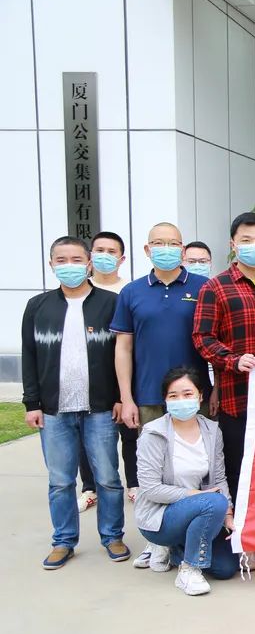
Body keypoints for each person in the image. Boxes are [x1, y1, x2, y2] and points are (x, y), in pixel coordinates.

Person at [23, 236, 129, 569]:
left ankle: (112, 536)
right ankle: (63, 541)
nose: (69, 266)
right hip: (53, 410)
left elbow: (122, 354)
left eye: (76, 260)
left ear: (89, 264)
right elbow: (29, 357)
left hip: (100, 408)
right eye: (61, 260)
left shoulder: (110, 303)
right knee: (60, 481)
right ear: (51, 265)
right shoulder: (37, 306)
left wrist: (119, 397)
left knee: (108, 477)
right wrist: (31, 403)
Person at [112, 222, 211, 573]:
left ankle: (193, 536)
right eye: (158, 243)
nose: (165, 248)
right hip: (149, 396)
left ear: (183, 250)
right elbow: (123, 348)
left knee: (196, 468)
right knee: (155, 473)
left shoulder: (203, 287)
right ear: (146, 249)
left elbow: (212, 341)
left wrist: (212, 391)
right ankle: (156, 541)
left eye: (172, 243)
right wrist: (126, 397)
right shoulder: (132, 292)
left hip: (196, 396)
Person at [193, 211, 255, 566]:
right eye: (246, 240)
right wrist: (232, 360)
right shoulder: (215, 287)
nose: (254, 246)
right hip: (238, 395)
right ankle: (242, 536)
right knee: (238, 468)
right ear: (233, 244)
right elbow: (202, 338)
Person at [135, 367, 240, 595]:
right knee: (214, 501)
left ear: (200, 396)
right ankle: (189, 569)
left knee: (225, 568)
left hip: (199, 510)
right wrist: (196, 495)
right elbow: (151, 489)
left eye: (187, 394)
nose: (181, 400)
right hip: (161, 516)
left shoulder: (212, 430)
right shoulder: (153, 433)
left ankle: (176, 551)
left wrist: (229, 516)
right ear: (165, 400)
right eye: (173, 396)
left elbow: (219, 477)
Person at [78, 231, 133, 512]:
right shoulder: (79, 291)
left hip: (124, 376)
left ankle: (134, 484)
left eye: (112, 252)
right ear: (90, 256)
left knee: (131, 435)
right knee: (87, 438)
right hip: (89, 378)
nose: (105, 256)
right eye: (99, 250)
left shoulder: (129, 291)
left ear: (122, 259)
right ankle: (90, 488)